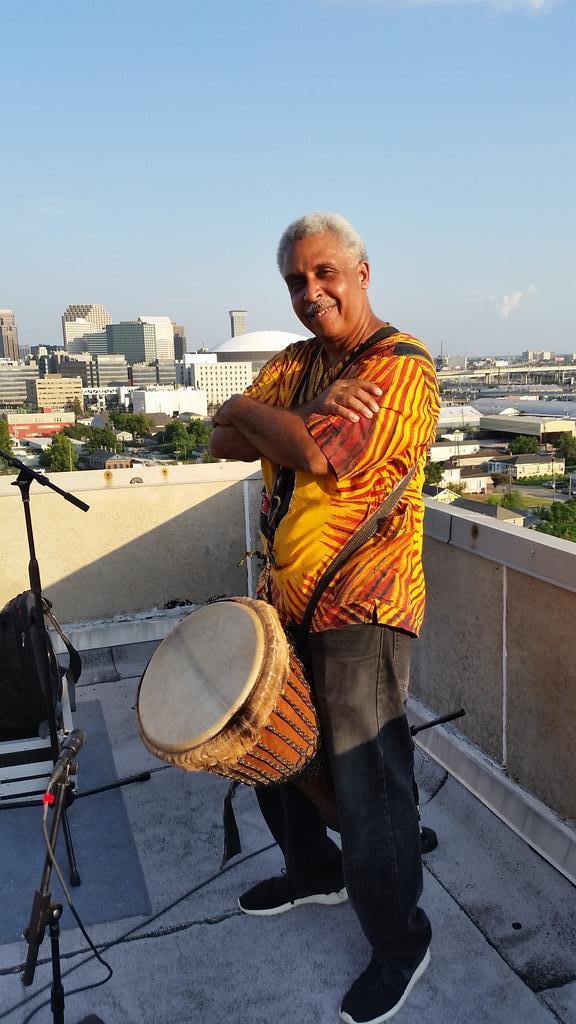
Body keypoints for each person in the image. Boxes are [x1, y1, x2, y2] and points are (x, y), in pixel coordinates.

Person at [210, 212, 440, 1024]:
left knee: (367, 782)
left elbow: (320, 455)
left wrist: (277, 422)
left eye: (325, 274)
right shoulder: (299, 364)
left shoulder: (401, 368)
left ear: (362, 272)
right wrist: (255, 407)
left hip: (363, 605)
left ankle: (400, 939)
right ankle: (314, 870)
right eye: (296, 282)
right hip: (286, 598)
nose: (312, 293)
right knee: (266, 749)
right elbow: (218, 441)